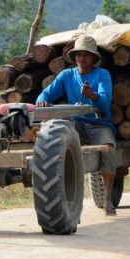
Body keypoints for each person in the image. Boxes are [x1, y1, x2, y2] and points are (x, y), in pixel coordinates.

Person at [36, 35, 118, 216]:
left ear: (93, 57)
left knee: (108, 148)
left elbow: (105, 102)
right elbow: (45, 94)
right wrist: (42, 101)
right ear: (74, 57)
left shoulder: (102, 74)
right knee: (61, 146)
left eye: (86, 55)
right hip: (76, 123)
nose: (82, 58)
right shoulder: (67, 75)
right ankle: (63, 196)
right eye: (79, 54)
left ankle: (107, 199)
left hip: (99, 124)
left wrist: (92, 95)